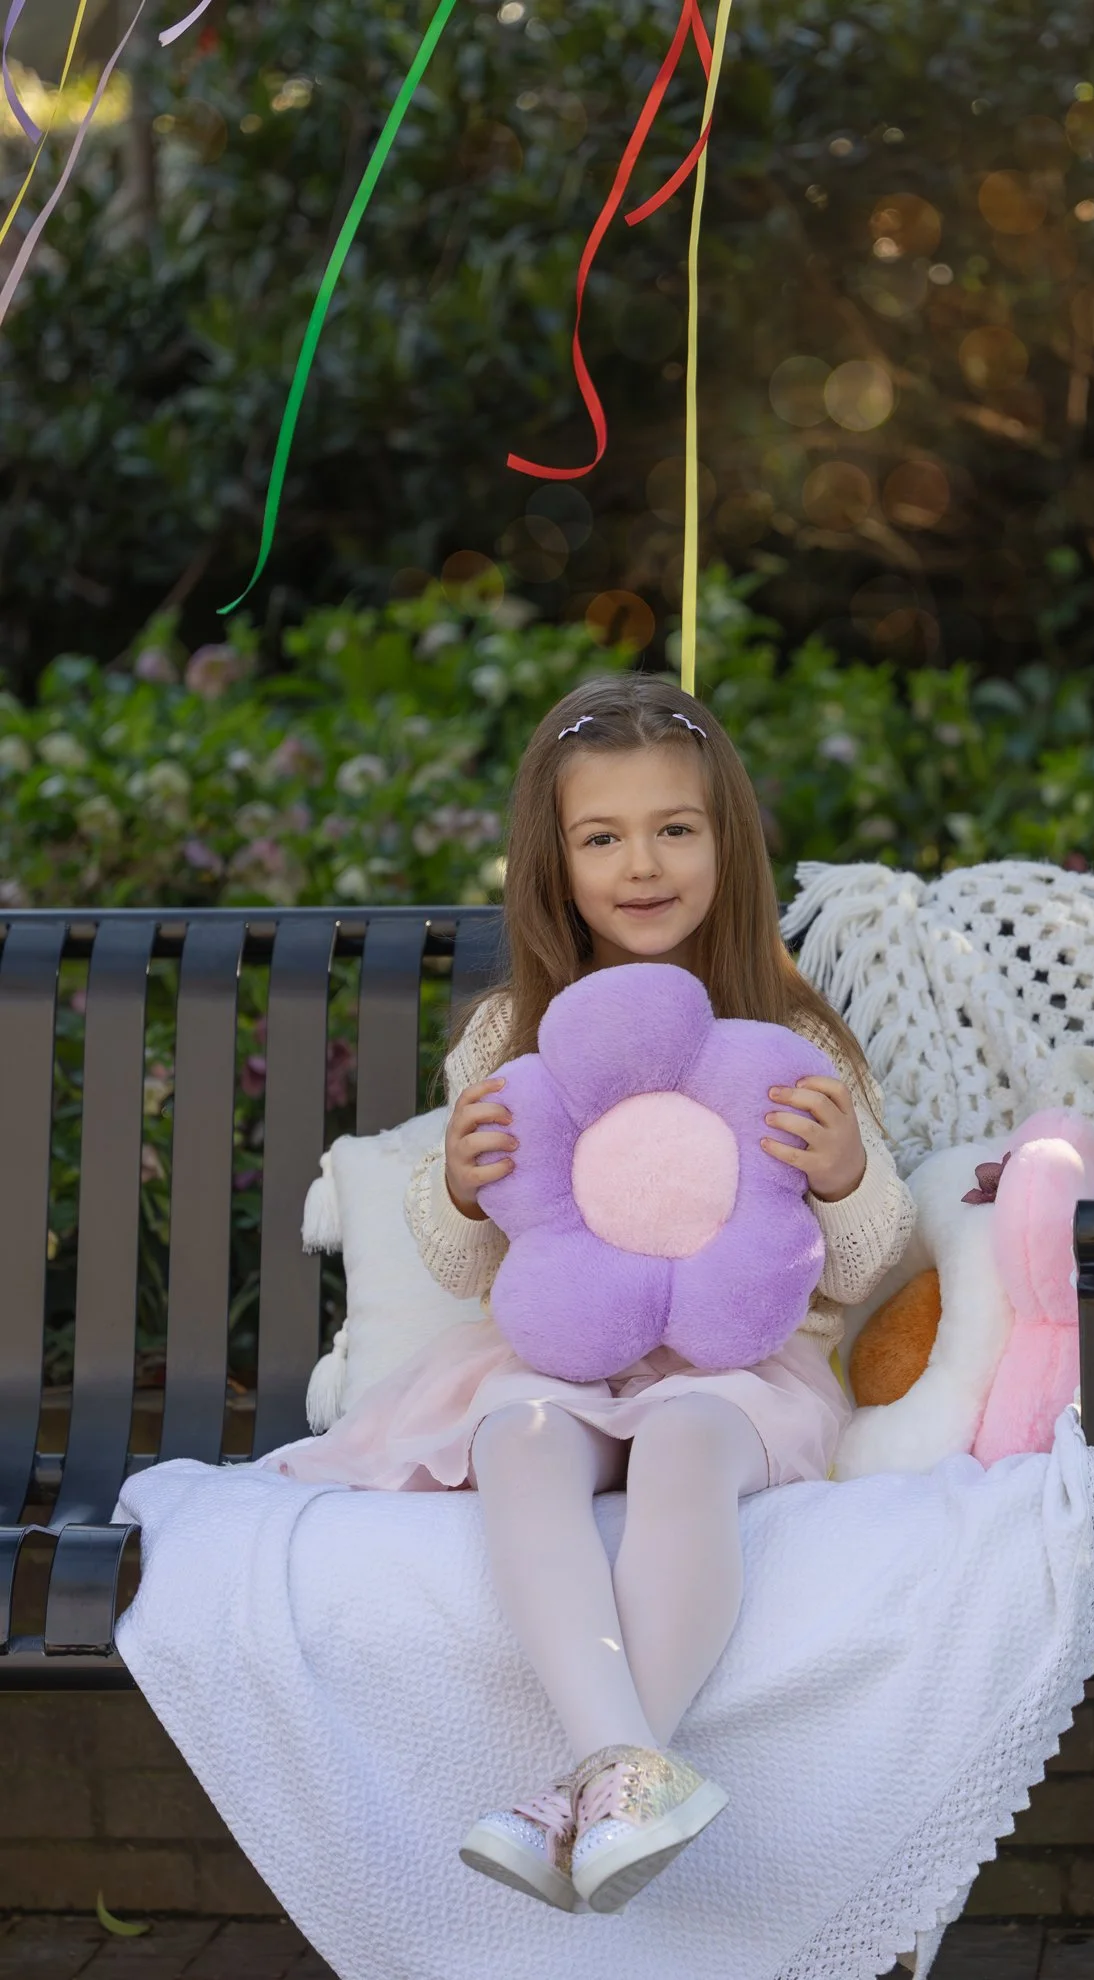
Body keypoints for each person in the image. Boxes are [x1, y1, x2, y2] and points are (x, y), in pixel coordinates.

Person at [269, 674, 915, 1917]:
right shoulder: (511, 1035)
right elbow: (468, 1264)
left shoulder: (788, 1034)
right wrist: (459, 1191)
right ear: (554, 864)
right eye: (602, 837)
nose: (643, 865)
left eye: (676, 828)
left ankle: (590, 1786)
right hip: (564, 1355)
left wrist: (842, 1174)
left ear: (728, 843)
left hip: (737, 1370)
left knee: (681, 1445)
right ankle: (625, 1772)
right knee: (517, 1441)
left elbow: (859, 1264)